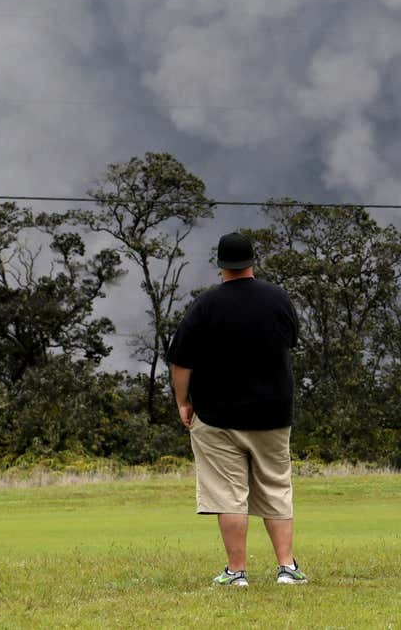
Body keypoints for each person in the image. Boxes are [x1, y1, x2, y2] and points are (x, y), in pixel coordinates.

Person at [168, 231, 307, 589]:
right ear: (252, 262)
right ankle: (287, 568)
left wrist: (183, 402)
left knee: (227, 494)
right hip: (273, 413)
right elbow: (290, 340)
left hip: (217, 415)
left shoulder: (206, 305)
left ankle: (237, 572)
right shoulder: (278, 299)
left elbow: (180, 361)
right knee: (276, 487)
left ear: (220, 265)